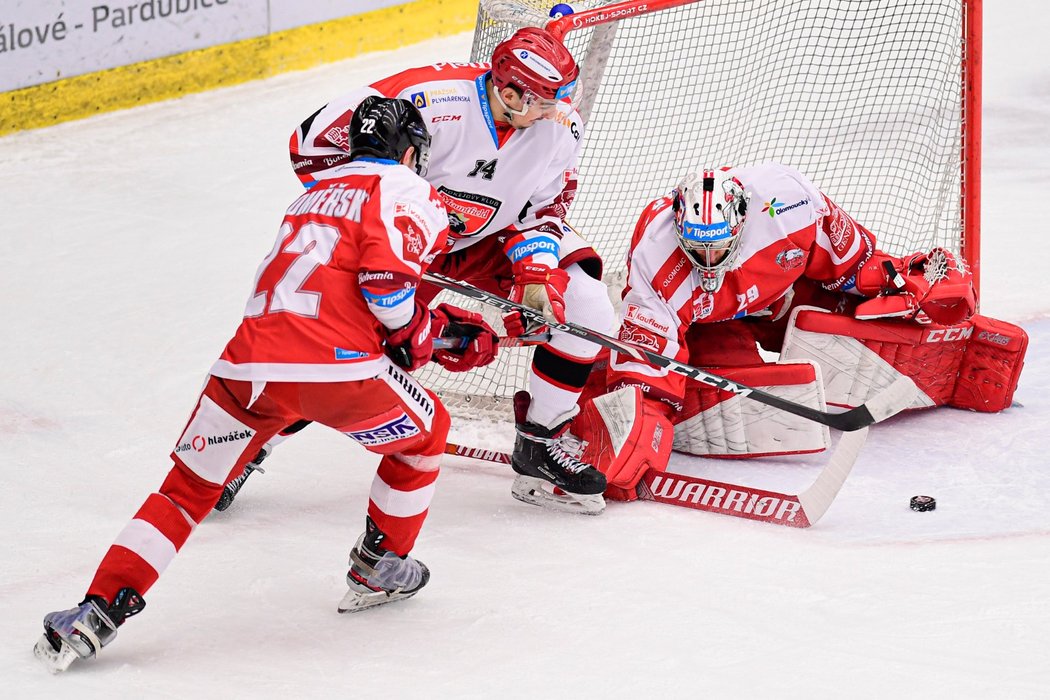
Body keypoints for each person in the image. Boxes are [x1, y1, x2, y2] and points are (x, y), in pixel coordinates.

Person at [33, 97, 500, 673]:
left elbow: (337, 282)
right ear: (410, 152)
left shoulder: (310, 193)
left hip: (246, 367)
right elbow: (386, 289)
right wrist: (426, 334)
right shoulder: (406, 188)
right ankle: (380, 564)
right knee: (426, 437)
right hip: (337, 369)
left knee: (184, 491)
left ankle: (95, 610)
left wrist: (427, 331)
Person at [223, 26, 616, 515]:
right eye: (544, 102)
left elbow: (545, 208)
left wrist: (534, 277)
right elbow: (308, 145)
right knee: (339, 347)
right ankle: (244, 449)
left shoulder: (560, 126)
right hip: (404, 241)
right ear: (510, 92)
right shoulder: (426, 96)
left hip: (491, 238)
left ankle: (540, 440)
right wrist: (379, 206)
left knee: (587, 306)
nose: (556, 113)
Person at [574, 162, 1023, 500]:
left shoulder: (789, 203)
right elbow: (649, 359)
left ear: (742, 220)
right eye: (698, 248)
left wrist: (896, 282)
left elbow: (853, 262)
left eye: (719, 246)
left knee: (850, 314)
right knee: (720, 386)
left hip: (778, 297)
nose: (708, 260)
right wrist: (637, 421)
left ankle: (942, 354)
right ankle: (584, 395)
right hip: (707, 326)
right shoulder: (656, 257)